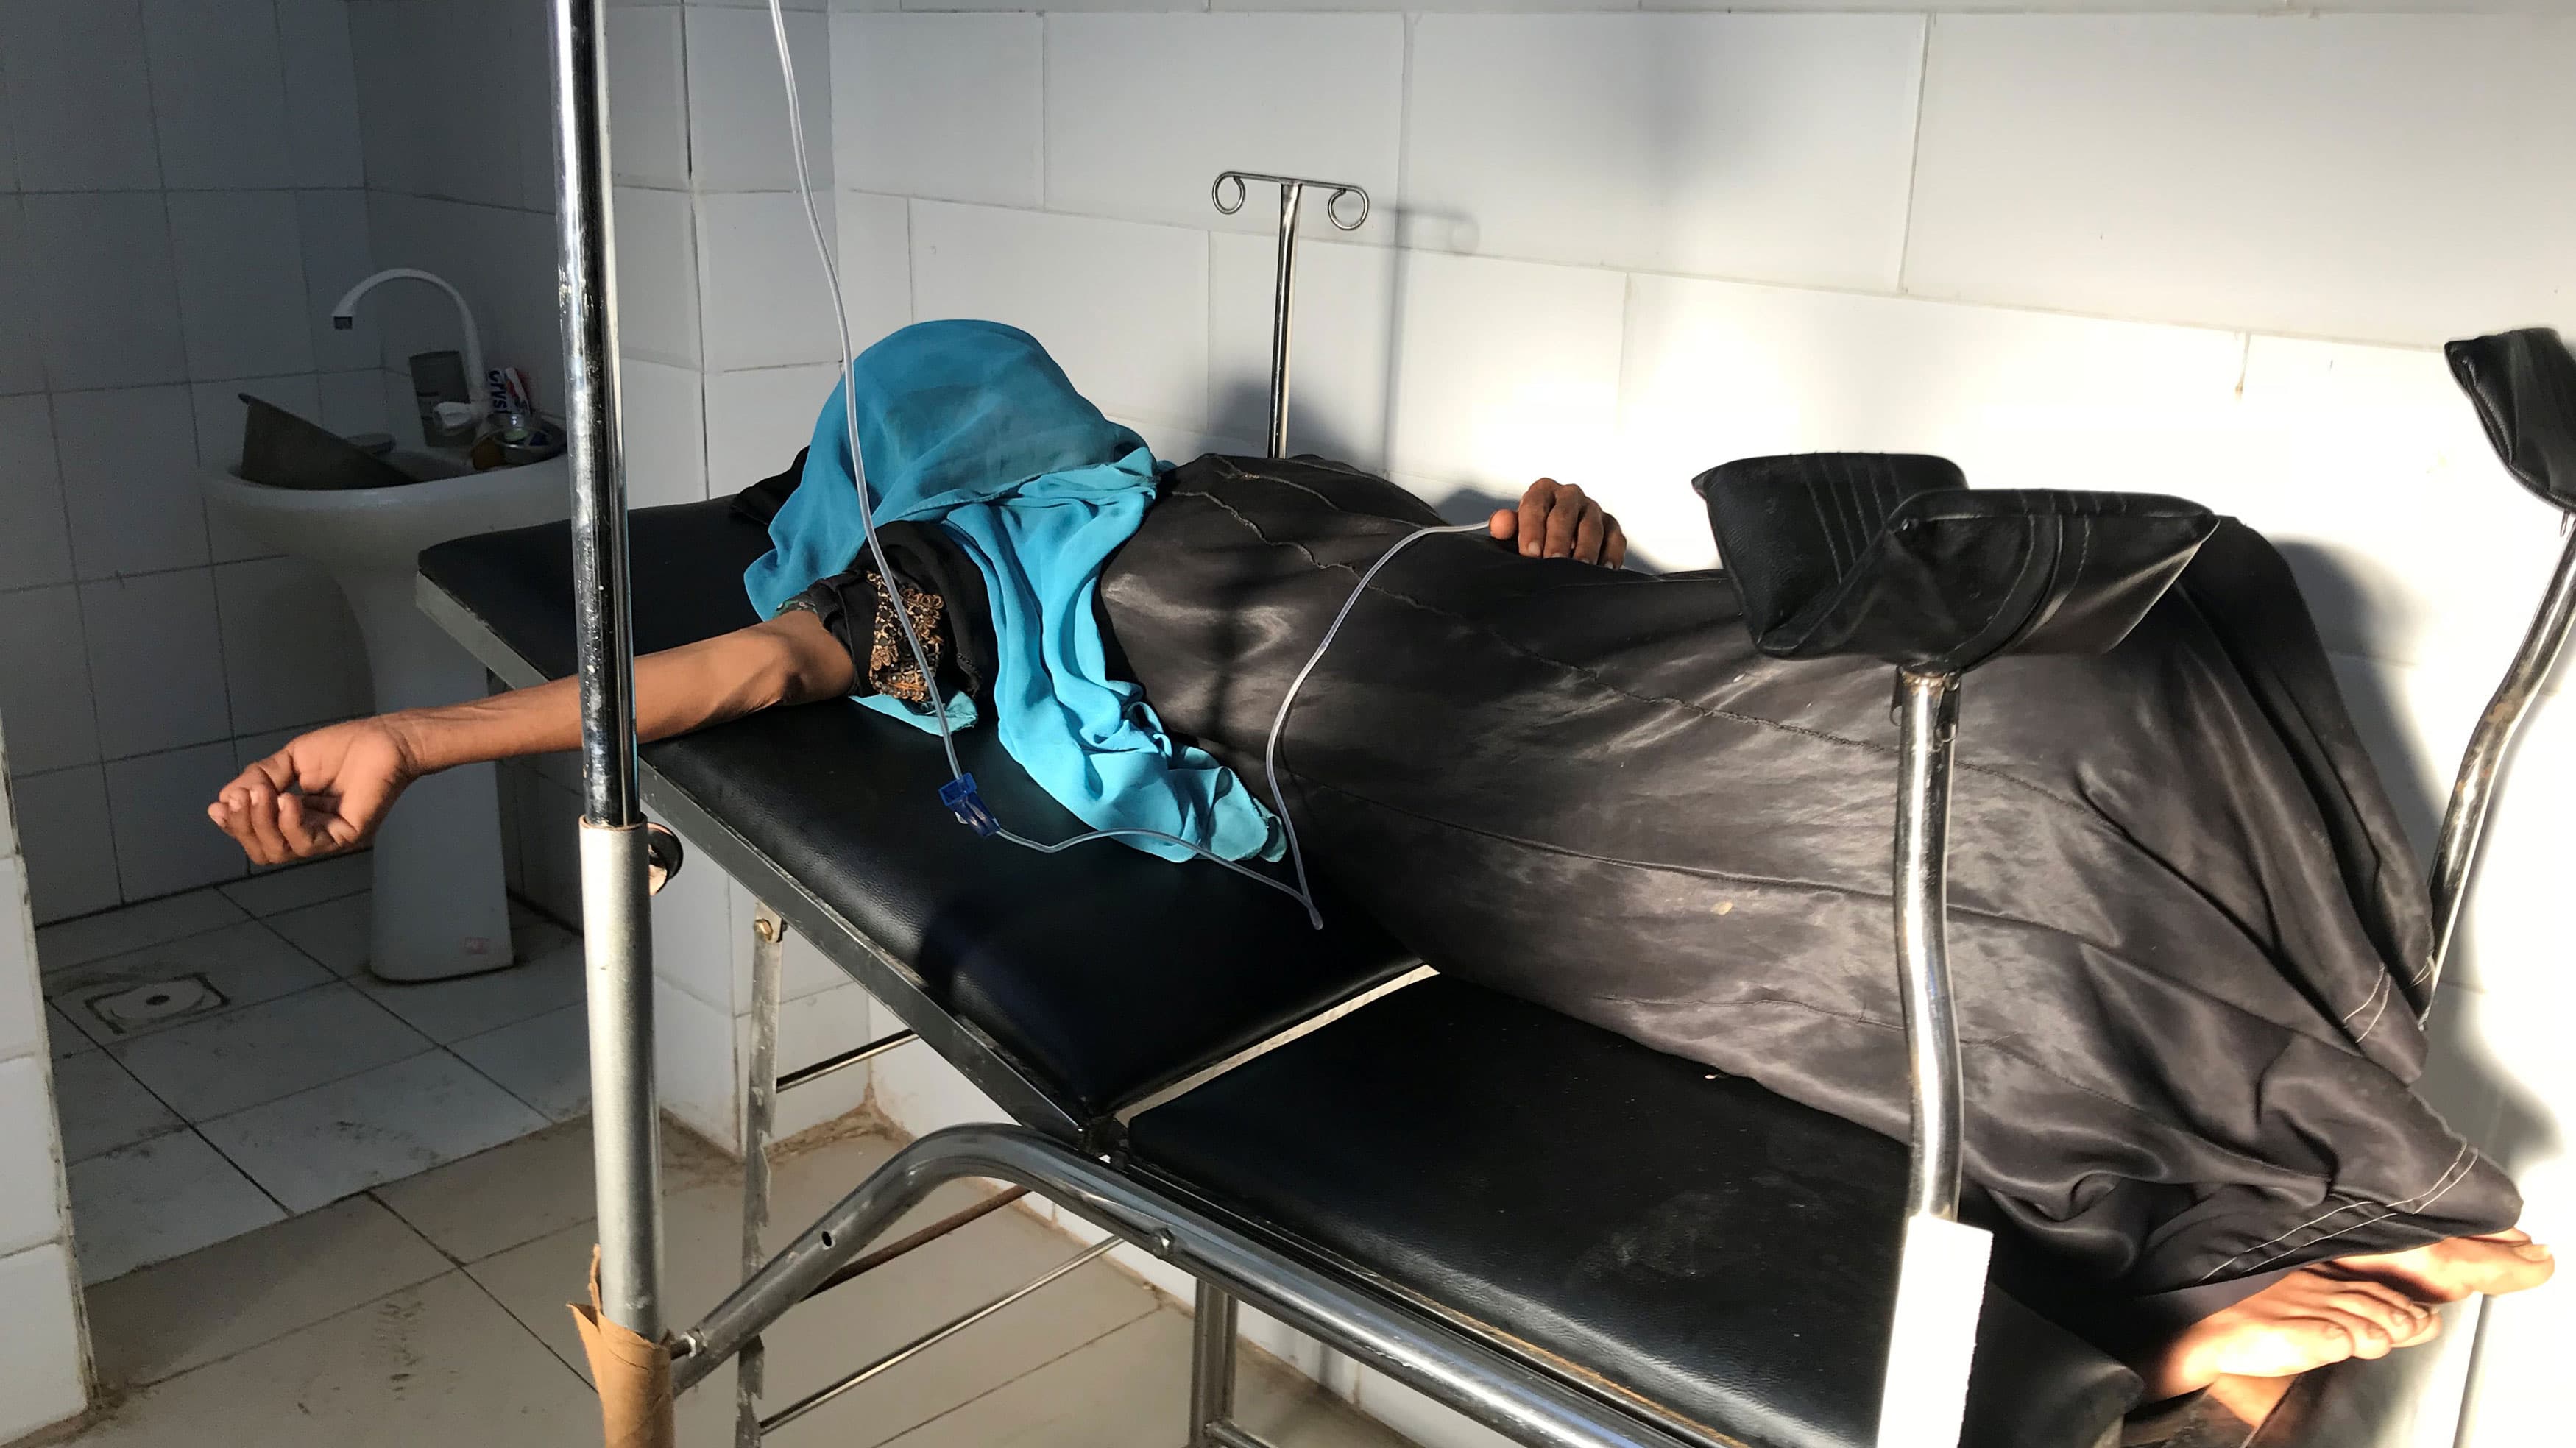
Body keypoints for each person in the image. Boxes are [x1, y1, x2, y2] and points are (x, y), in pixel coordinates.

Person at [208, 322, 2547, 1408]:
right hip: (1430, 769)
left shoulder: (1167, 472)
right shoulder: (937, 582)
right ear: (902, 456)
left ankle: (2313, 1159)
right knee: (1893, 833)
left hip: (1527, 633)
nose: (1012, 416)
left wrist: (1517, 517)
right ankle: (2186, 1278)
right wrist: (419, 732)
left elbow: (1415, 549)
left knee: (2085, 681)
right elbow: (724, 685)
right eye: (959, 400)